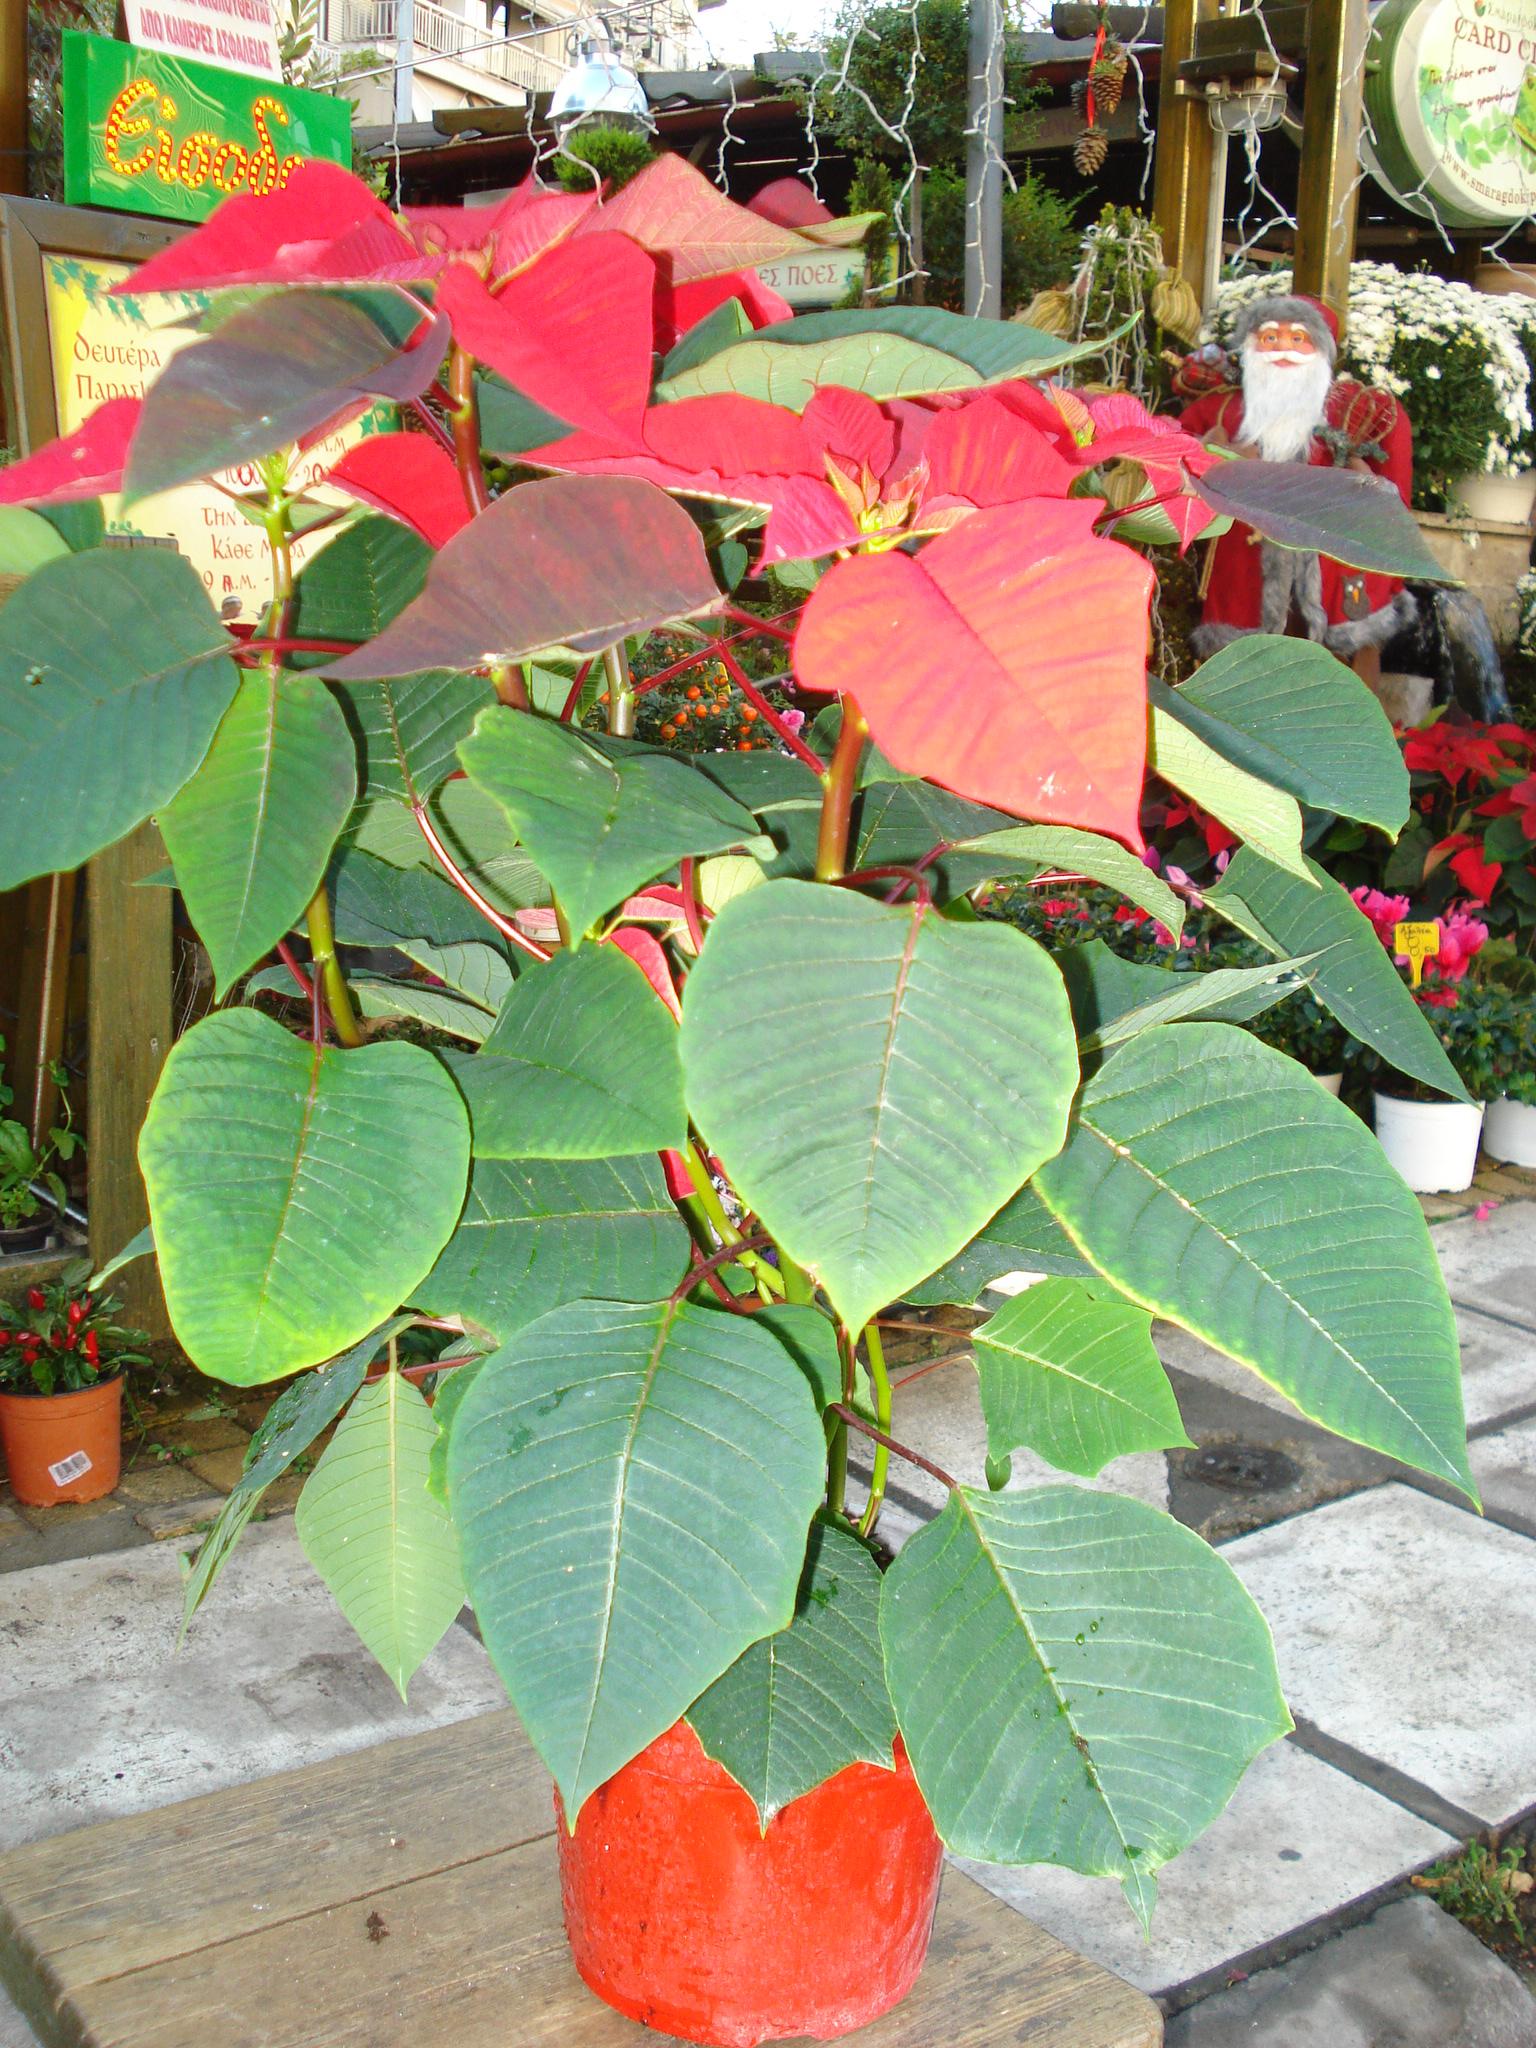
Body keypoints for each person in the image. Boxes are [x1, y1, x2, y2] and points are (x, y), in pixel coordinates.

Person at [1177, 294, 1415, 670]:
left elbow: (1396, 501)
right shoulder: (1220, 410)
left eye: (1298, 338)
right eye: (1271, 337)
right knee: (1244, 667)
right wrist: (1216, 455)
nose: (1282, 349)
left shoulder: (1361, 409)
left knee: (1347, 663)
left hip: (1339, 565)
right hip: (1245, 567)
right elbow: (1172, 458)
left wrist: (1368, 491)